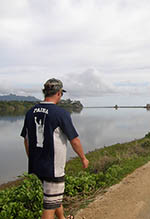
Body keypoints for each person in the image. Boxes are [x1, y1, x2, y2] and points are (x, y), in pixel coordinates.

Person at [21, 78, 89, 219]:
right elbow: (74, 141)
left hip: (37, 166)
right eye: (61, 94)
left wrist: (33, 159)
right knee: (49, 205)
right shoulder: (60, 113)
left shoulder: (30, 112)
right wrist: (83, 158)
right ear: (58, 93)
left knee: (53, 197)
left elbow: (26, 141)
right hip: (53, 168)